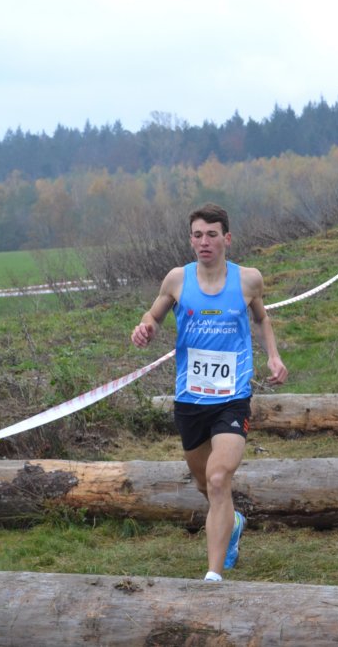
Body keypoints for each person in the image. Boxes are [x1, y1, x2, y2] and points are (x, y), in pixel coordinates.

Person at [131, 203, 287, 582]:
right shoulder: (177, 280)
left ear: (226, 238)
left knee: (219, 479)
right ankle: (233, 521)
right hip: (190, 400)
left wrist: (273, 356)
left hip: (232, 398)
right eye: (198, 235)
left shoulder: (248, 280)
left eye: (212, 235)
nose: (204, 242)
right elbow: (153, 316)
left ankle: (213, 577)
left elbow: (262, 319)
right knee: (206, 485)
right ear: (191, 240)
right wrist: (145, 328)